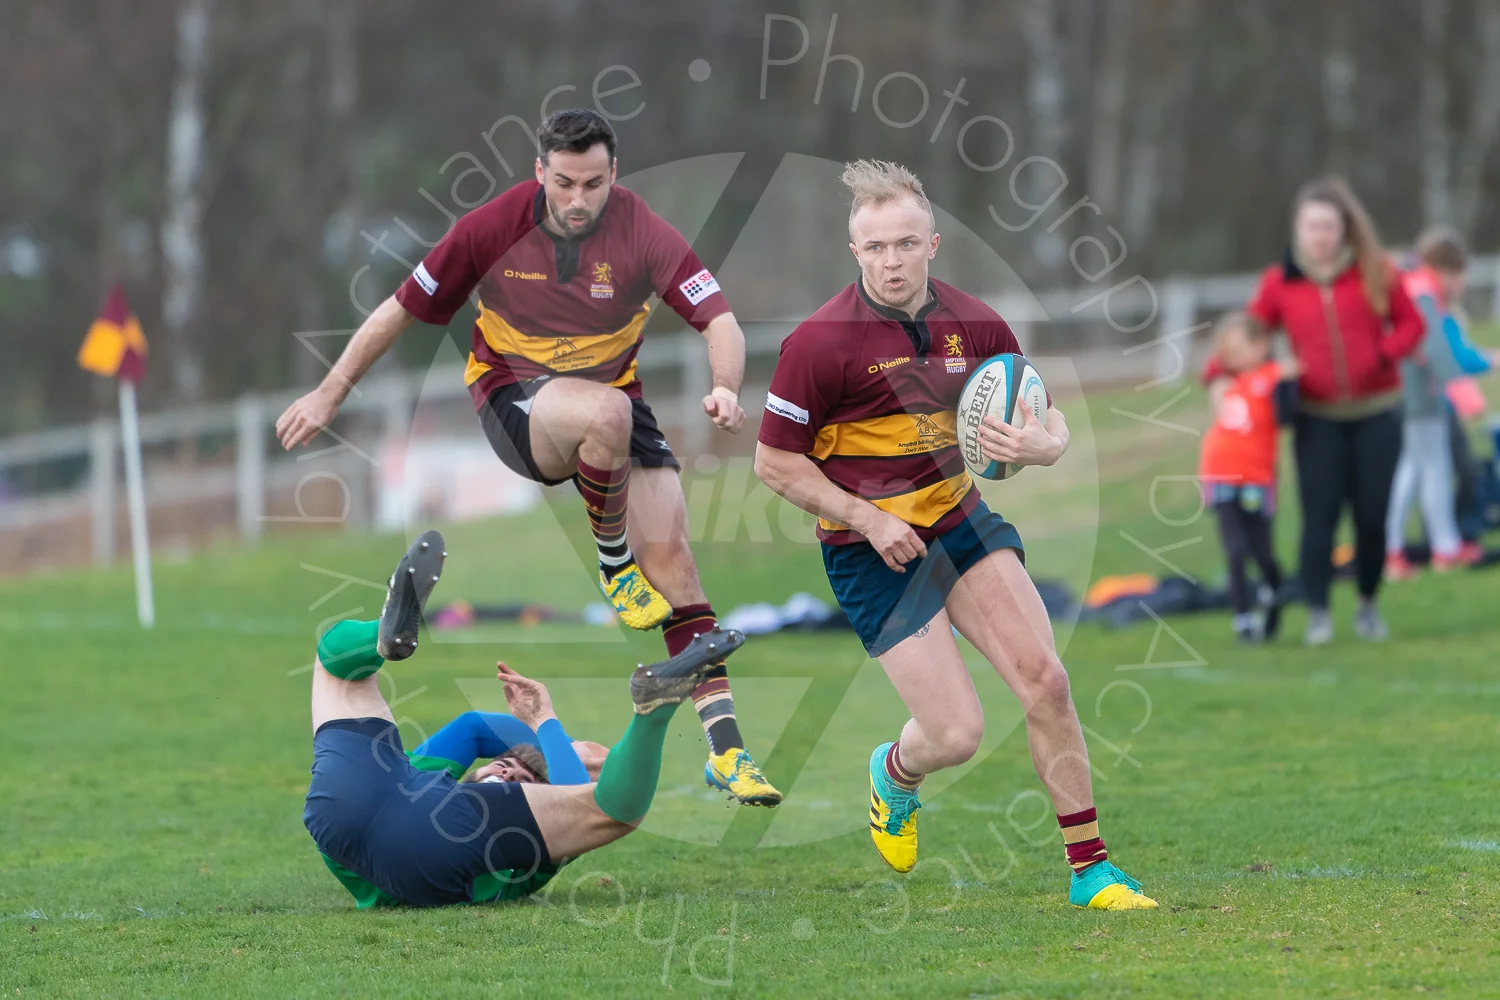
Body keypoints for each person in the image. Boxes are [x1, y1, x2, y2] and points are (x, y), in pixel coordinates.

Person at [276, 108, 779, 806]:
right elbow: (400, 308)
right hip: (515, 405)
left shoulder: (644, 232)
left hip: (613, 405)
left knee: (677, 567)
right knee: (606, 415)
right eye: (565, 183)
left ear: (614, 176)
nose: (578, 200)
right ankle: (611, 562)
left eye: (593, 184)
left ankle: (727, 751)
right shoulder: (491, 227)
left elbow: (717, 317)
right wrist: (330, 394)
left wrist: (725, 386)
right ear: (540, 172)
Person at [753, 160, 1156, 910]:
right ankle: (897, 773)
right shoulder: (818, 344)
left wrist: (1049, 445)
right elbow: (774, 464)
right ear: (855, 251)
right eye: (876, 248)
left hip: (960, 520)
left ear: (934, 243)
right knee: (958, 734)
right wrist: (870, 518)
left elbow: (1042, 411)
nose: (892, 261)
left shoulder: (976, 324)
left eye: (906, 243)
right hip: (867, 550)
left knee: (1048, 681)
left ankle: (1092, 871)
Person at [304, 529, 747, 908]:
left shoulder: (516, 851)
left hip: (341, 811)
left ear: (537, 800)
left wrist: (548, 727)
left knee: (335, 668)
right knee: (336, 665)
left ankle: (379, 640)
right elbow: (479, 731)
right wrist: (548, 732)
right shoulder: (425, 779)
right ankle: (654, 710)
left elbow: (577, 794)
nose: (508, 770)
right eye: (506, 765)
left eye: (521, 781)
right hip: (382, 822)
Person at [1242, 177, 1424, 645]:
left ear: (1343, 229)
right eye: (1312, 226)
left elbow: (1412, 324)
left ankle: (1367, 604)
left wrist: (1384, 353)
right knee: (1318, 518)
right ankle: (1319, 613)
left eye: (1329, 226)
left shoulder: (1374, 270)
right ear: (1298, 229)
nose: (1321, 236)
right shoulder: (1278, 282)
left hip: (1377, 414)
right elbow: (1248, 337)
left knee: (1371, 518)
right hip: (1316, 419)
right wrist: (1239, 373)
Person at [1386, 228, 1489, 577]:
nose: (1461, 285)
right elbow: (1433, 345)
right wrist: (1461, 388)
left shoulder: (1413, 288)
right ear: (1447, 271)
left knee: (1412, 469)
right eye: (1461, 276)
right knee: (1435, 468)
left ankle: (1393, 550)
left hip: (1410, 392)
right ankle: (1445, 549)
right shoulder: (1423, 292)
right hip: (1421, 394)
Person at [1201, 314, 1297, 642]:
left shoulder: (1271, 376)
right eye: (1229, 351)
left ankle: (1273, 591)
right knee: (1235, 549)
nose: (1234, 357)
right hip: (1221, 474)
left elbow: (1293, 369)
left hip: (1257, 478)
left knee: (1263, 552)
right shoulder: (1222, 383)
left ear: (1261, 346)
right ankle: (1242, 618)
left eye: (1242, 349)